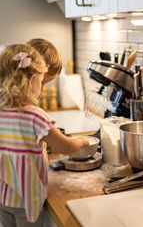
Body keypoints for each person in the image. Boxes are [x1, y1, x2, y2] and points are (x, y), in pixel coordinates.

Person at [0, 44, 89, 227]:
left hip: (3, 197)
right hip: (27, 201)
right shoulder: (35, 116)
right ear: (32, 79)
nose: (42, 87)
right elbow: (65, 147)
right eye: (41, 82)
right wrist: (82, 140)